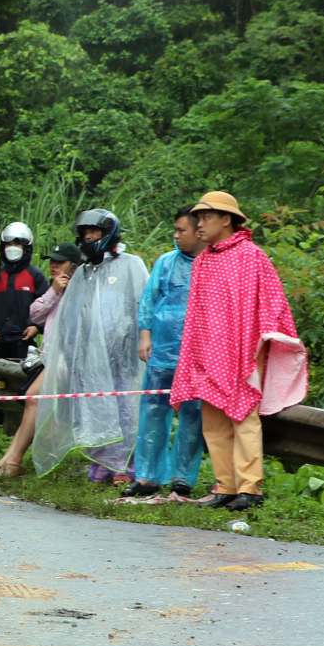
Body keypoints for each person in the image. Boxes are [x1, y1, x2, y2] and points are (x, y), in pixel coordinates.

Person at [169, 191, 303, 512]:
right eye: (197, 219)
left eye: (206, 218)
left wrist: (260, 345)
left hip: (242, 351)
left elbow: (274, 305)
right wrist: (192, 354)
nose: (198, 224)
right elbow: (196, 313)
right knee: (212, 422)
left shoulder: (251, 256)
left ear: (227, 219)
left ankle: (250, 488)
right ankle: (226, 485)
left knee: (243, 416)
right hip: (206, 352)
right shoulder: (203, 260)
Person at [30, 210, 149, 484]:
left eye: (93, 233)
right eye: (84, 234)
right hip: (90, 360)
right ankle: (101, 464)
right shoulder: (83, 272)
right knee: (94, 408)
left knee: (125, 409)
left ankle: (125, 467)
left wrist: (137, 339)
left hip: (122, 356)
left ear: (108, 233)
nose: (88, 238)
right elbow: (72, 314)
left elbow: (142, 304)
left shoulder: (131, 265)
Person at [122, 209, 206, 498]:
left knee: (193, 415)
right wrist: (145, 335)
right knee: (154, 411)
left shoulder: (212, 264)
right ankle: (148, 476)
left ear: (199, 231)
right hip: (162, 348)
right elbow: (149, 299)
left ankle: (182, 478)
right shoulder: (166, 262)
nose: (175, 235)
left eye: (181, 230)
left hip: (198, 353)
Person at [0, 243, 78, 477]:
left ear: (74, 266)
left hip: (67, 360)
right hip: (50, 357)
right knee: (32, 402)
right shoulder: (57, 290)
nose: (54, 266)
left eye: (60, 262)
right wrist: (53, 291)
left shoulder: (80, 292)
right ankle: (8, 460)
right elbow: (34, 314)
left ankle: (13, 460)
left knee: (33, 398)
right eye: (52, 261)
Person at [0, 221, 49, 430]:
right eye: (9, 242)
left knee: (21, 382)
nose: (13, 246)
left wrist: (36, 327)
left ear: (26, 247)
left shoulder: (36, 276)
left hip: (23, 340)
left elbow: (46, 307)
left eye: (18, 243)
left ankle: (18, 424)